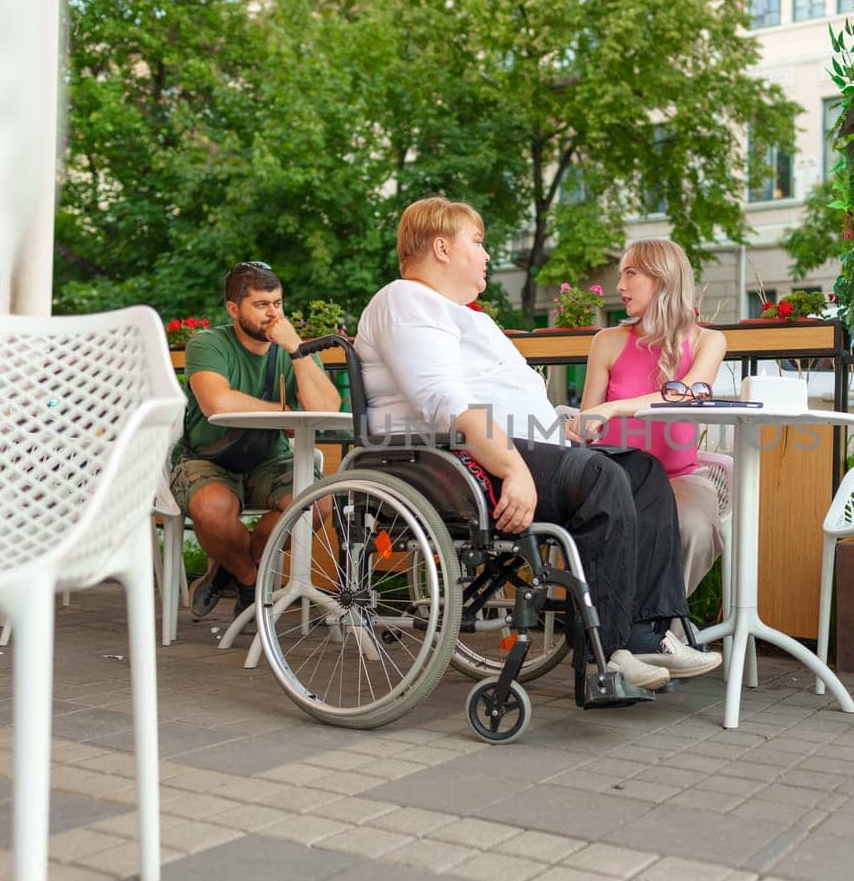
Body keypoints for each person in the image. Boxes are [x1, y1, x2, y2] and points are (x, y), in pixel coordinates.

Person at [354, 196, 720, 690]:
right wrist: (512, 468)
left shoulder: (465, 316)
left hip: (518, 446)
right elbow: (445, 401)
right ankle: (610, 651)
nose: (486, 256)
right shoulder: (405, 301)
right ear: (441, 248)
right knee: (602, 478)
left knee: (643, 472)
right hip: (459, 459)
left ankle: (648, 633)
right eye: (478, 243)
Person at [172, 261, 342, 618]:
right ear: (234, 308)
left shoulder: (291, 349)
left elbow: (327, 406)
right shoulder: (209, 344)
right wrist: (284, 412)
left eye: (277, 304)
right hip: (208, 458)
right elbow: (217, 402)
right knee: (212, 510)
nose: (273, 314)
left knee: (318, 504)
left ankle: (230, 565)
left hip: (269, 458)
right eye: (261, 305)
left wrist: (296, 349)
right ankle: (250, 579)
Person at [571, 238, 726, 597]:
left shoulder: (708, 341)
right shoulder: (607, 341)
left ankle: (660, 632)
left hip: (680, 479)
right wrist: (587, 425)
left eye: (631, 274)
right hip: (615, 477)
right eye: (620, 275)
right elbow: (588, 418)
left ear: (662, 278)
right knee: (616, 530)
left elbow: (688, 391)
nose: (620, 286)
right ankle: (632, 636)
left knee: (693, 530)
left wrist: (613, 408)